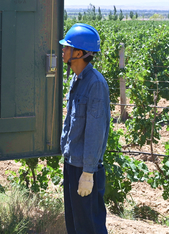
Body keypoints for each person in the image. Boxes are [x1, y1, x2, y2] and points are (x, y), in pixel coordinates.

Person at [59, 23, 110, 234]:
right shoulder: (76, 79)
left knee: (90, 226)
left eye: (67, 47)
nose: (62, 50)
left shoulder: (95, 84)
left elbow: (95, 133)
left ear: (78, 53)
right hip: (73, 163)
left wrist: (88, 173)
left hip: (85, 169)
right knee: (74, 224)